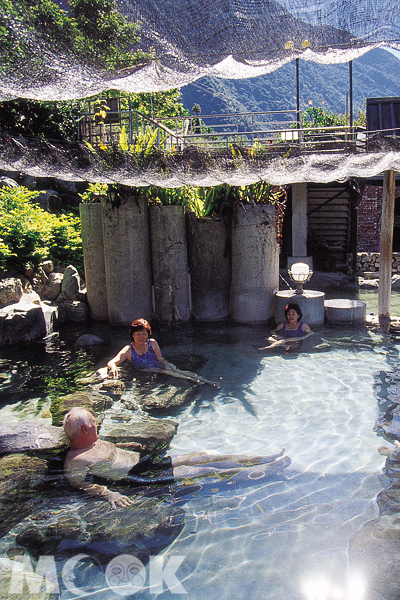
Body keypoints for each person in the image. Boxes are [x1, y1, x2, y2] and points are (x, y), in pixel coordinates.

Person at [63, 407, 291, 510]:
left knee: (200, 458)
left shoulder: (92, 441)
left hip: (144, 462)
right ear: (84, 429)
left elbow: (107, 451)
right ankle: (269, 470)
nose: (97, 424)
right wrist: (109, 493)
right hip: (139, 477)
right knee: (202, 472)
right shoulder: (75, 462)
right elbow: (80, 485)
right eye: (94, 423)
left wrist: (124, 446)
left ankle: (262, 459)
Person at [105, 318, 216, 385]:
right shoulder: (128, 350)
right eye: (137, 334)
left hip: (159, 365)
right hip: (149, 370)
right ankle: (197, 382)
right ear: (132, 335)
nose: (141, 337)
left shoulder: (152, 343)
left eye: (144, 334)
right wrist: (113, 367)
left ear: (148, 334)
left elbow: (160, 358)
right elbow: (112, 362)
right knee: (173, 374)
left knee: (178, 370)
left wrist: (166, 364)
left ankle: (205, 381)